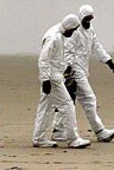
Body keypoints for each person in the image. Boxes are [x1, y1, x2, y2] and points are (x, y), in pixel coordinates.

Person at [52, 5, 114, 143]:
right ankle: (100, 131)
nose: (89, 21)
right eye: (87, 18)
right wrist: (69, 70)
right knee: (89, 98)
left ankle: (58, 130)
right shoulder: (75, 31)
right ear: (82, 17)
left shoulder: (90, 31)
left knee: (68, 100)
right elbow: (68, 51)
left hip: (82, 69)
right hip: (75, 70)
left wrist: (107, 60)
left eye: (90, 18)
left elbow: (96, 46)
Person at [32, 14, 91, 148]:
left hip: (54, 75)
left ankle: (39, 138)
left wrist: (65, 70)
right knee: (67, 104)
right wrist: (45, 79)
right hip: (53, 77)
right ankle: (73, 138)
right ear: (69, 27)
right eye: (74, 29)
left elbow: (55, 58)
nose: (74, 32)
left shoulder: (57, 33)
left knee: (46, 107)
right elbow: (43, 59)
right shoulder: (54, 37)